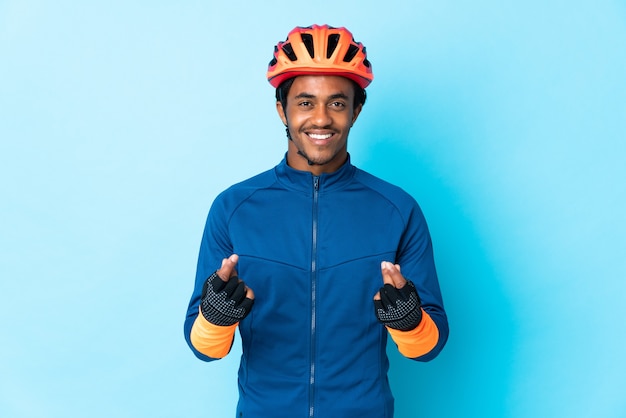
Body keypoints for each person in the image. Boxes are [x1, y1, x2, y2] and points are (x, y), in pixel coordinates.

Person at [184, 24, 449, 417]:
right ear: (282, 109)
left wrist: (409, 321)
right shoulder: (233, 208)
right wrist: (217, 318)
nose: (321, 119)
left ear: (356, 111)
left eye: (337, 103)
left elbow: (429, 348)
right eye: (305, 103)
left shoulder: (397, 209)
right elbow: (203, 349)